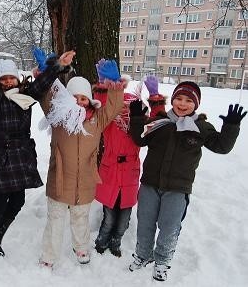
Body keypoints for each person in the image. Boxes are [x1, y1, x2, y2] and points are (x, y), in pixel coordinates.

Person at [0, 32, 75, 266]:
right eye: (2, 79)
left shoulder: (26, 96)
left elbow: (43, 82)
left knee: (17, 203)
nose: (6, 82)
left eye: (10, 79)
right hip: (4, 157)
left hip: (22, 157)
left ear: (17, 79)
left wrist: (58, 65)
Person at [128, 81, 246, 281]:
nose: (182, 104)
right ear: (172, 100)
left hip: (178, 188)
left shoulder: (201, 127)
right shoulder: (159, 121)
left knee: (169, 226)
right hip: (150, 184)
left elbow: (221, 146)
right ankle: (143, 254)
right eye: (178, 98)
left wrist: (231, 127)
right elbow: (139, 138)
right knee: (145, 223)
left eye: (189, 100)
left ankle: (163, 261)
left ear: (196, 104)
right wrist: (138, 118)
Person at [38, 59, 125, 268]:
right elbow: (47, 96)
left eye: (83, 98)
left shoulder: (97, 119)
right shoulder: (57, 115)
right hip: (59, 178)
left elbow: (113, 108)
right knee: (55, 220)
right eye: (74, 97)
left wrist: (114, 83)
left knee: (81, 217)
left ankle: (81, 247)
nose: (79, 101)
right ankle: (49, 257)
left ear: (89, 100)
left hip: (85, 180)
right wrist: (46, 71)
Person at [93, 75, 166, 258]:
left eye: (130, 108)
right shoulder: (109, 123)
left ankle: (116, 242)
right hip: (110, 172)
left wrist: (155, 97)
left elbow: (158, 122)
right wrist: (104, 86)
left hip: (129, 176)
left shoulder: (139, 127)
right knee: (109, 217)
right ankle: (102, 240)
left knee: (124, 218)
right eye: (122, 107)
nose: (126, 111)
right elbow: (102, 107)